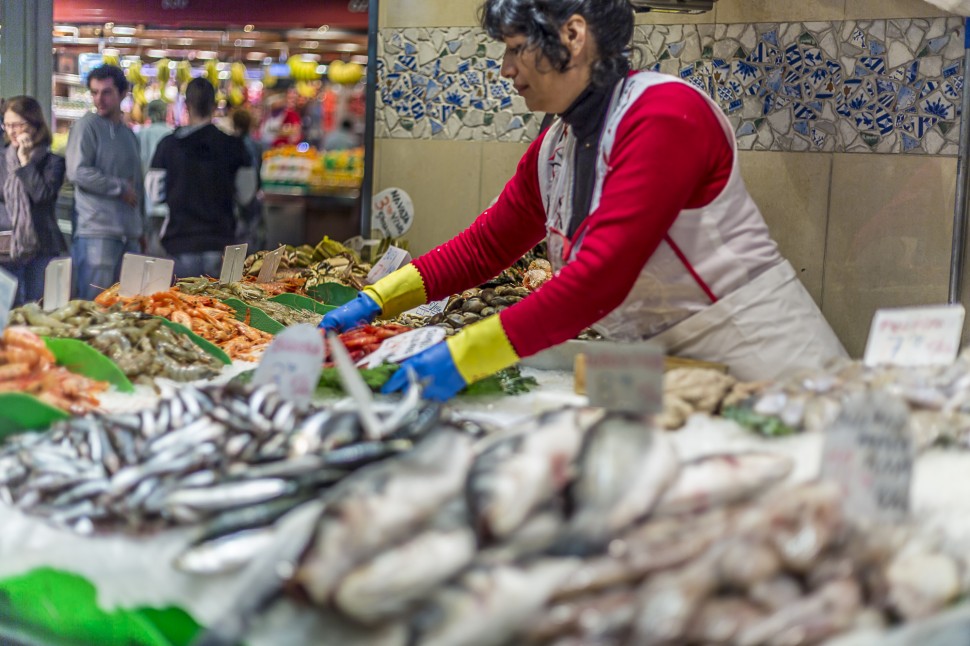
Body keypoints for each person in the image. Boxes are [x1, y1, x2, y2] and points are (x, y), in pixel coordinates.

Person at [320, 0, 847, 401]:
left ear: (572, 35)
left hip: (763, 357)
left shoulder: (664, 113)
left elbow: (600, 276)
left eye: (514, 48)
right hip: (658, 369)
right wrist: (378, 299)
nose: (505, 69)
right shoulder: (556, 144)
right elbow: (485, 246)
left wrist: (463, 356)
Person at [146, 78, 255, 279]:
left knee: (182, 307)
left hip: (179, 242)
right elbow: (247, 194)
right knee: (222, 307)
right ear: (214, 106)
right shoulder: (234, 146)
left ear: (186, 106)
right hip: (222, 244)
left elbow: (154, 194)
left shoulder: (168, 146)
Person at [65, 64, 143, 300]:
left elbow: (137, 183)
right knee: (93, 307)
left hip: (128, 235)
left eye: (106, 92)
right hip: (96, 233)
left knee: (128, 308)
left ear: (122, 93)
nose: (99, 99)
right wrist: (119, 188)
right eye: (94, 92)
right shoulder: (86, 126)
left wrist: (142, 228)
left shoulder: (128, 134)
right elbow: (77, 172)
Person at [0, 96, 67, 305]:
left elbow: (42, 196)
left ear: (35, 125)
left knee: (38, 309)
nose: (11, 131)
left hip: (42, 247)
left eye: (18, 125)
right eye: (7, 124)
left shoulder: (53, 162)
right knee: (8, 315)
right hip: (5, 251)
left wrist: (26, 162)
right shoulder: (1, 159)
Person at [137, 100, 172, 256]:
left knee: (151, 247)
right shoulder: (173, 135)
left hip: (146, 201)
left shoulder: (140, 134)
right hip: (169, 202)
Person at [231, 108, 264, 249]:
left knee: (238, 235)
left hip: (236, 195)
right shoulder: (256, 145)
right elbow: (259, 169)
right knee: (252, 233)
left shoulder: (230, 145)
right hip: (253, 194)